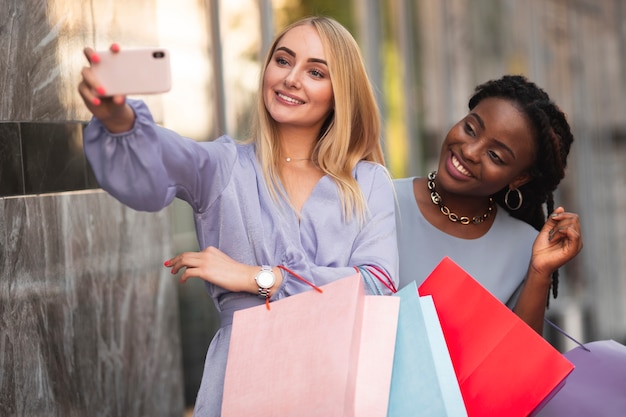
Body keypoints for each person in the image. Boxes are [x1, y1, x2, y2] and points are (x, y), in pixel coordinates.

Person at [78, 16, 398, 417]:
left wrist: (259, 278)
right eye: (283, 61)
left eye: (316, 71)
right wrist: (118, 118)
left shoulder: (368, 183)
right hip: (244, 384)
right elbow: (162, 155)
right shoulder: (224, 166)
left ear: (340, 93)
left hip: (344, 380)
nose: (291, 78)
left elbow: (379, 285)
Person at [394, 74, 582, 334]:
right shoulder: (379, 200)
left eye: (495, 155)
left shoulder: (526, 249)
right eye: (470, 129)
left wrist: (540, 270)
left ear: (519, 177)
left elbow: (520, 363)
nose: (470, 152)